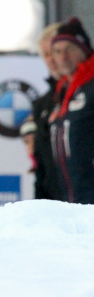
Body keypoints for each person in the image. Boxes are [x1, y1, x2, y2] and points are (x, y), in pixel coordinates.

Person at [49, 17, 94, 204]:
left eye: (69, 50)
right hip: (72, 196)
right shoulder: (63, 90)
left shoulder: (91, 85)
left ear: (84, 50)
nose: (62, 57)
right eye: (57, 51)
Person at [31, 23, 64, 200]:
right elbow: (40, 163)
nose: (51, 60)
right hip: (52, 201)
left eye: (54, 52)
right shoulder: (42, 104)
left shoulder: (87, 94)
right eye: (45, 54)